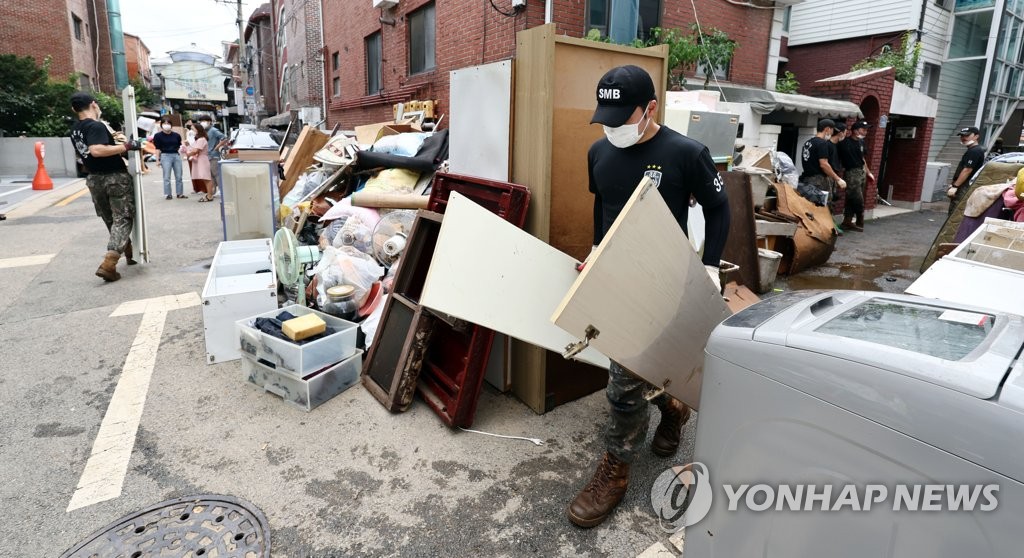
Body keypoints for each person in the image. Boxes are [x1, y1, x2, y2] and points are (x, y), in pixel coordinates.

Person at [567, 65, 731, 529]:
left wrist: (711, 265)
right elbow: (605, 205)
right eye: (607, 119)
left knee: (622, 380)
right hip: (620, 274)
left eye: (624, 117)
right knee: (632, 364)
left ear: (651, 108)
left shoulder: (686, 153)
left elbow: (719, 209)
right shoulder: (599, 152)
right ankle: (673, 406)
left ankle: (616, 469)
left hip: (666, 279)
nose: (613, 128)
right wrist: (597, 250)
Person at [69, 91, 142, 282]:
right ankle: (109, 264)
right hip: (114, 177)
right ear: (94, 104)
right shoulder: (96, 125)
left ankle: (126, 249)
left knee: (110, 218)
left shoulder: (75, 129)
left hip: (94, 178)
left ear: (73, 109)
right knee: (123, 218)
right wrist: (128, 146)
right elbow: (97, 150)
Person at [800, 119, 846, 224]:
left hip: (807, 179)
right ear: (827, 129)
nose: (832, 133)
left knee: (810, 206)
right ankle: (826, 230)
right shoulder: (822, 144)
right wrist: (837, 178)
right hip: (819, 180)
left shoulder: (808, 142)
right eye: (832, 131)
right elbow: (824, 164)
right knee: (824, 207)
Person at [838, 120, 876, 232]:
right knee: (857, 197)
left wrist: (868, 172)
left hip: (861, 171)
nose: (865, 132)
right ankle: (860, 217)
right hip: (851, 172)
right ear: (855, 131)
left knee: (851, 198)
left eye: (866, 130)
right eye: (863, 129)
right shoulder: (845, 142)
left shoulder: (861, 142)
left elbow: (863, 159)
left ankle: (847, 221)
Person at [947, 126, 987, 216]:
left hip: (965, 186)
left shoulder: (975, 151)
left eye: (967, 135)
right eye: (962, 136)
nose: (963, 138)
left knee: (956, 212)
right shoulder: (972, 150)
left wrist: (955, 186)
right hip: (963, 185)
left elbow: (967, 170)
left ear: (976, 136)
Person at [151, 118, 185, 199]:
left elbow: (180, 145)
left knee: (179, 176)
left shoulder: (176, 135)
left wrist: (182, 154)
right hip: (165, 156)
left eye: (168, 123)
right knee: (166, 176)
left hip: (176, 155)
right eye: (164, 123)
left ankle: (180, 193)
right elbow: (157, 148)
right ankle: (168, 194)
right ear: (161, 125)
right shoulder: (158, 136)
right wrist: (157, 160)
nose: (167, 125)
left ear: (171, 125)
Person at [183, 122, 214, 201]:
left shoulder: (201, 139)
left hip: (202, 159)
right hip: (200, 159)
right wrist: (188, 147)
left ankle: (210, 195)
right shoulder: (199, 139)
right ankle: (209, 194)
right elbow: (193, 149)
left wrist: (188, 154)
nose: (192, 131)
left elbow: (195, 150)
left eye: (193, 129)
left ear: (198, 130)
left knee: (206, 178)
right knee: (204, 178)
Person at [198, 114, 228, 196]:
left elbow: (224, 138)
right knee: (210, 174)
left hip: (214, 155)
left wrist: (217, 147)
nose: (202, 123)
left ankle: (222, 190)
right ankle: (213, 190)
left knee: (216, 174)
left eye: (204, 121)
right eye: (201, 121)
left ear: (209, 122)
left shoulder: (213, 130)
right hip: (206, 155)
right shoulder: (204, 131)